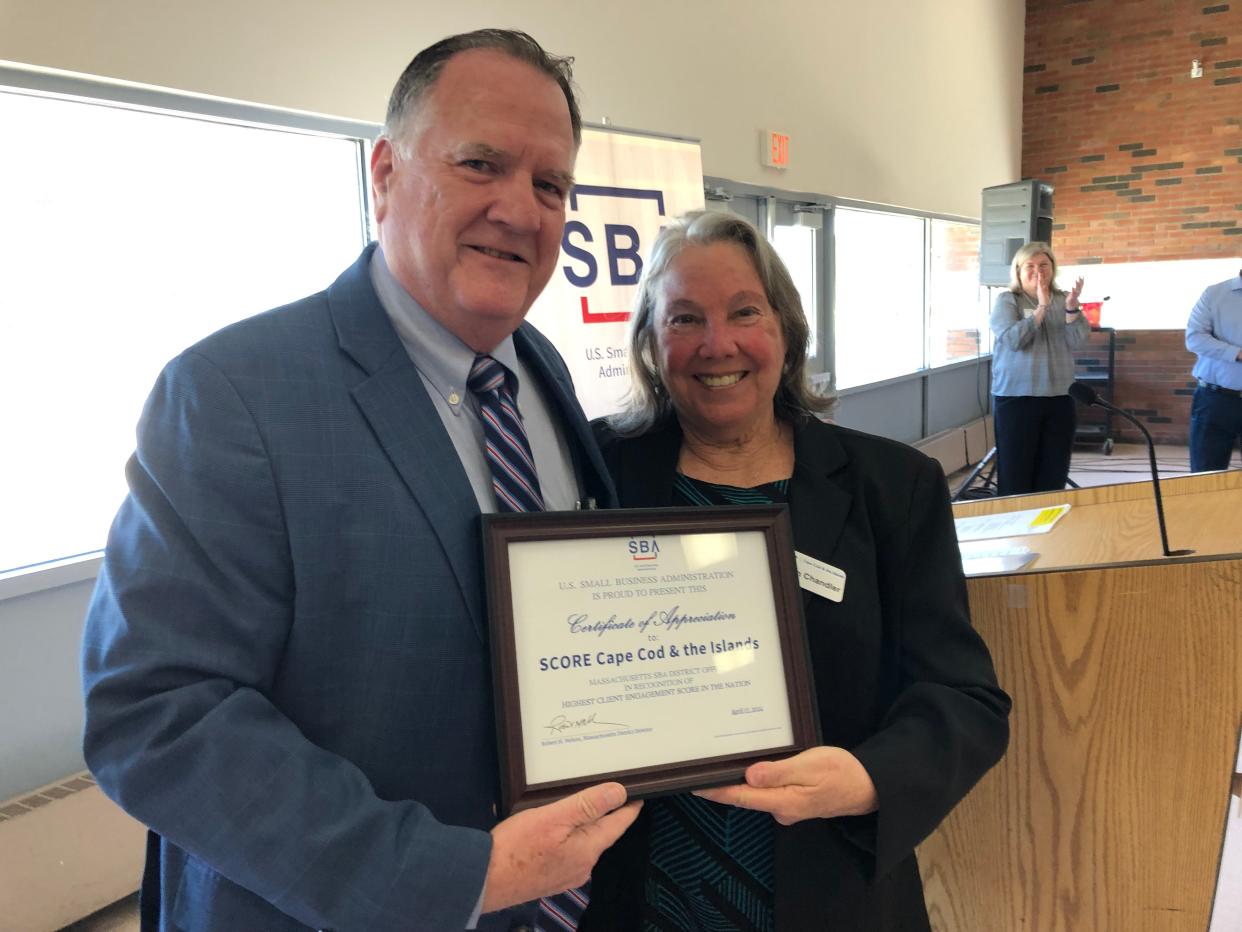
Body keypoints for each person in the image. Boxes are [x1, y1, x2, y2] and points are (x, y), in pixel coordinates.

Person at [80, 29, 641, 932]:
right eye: (481, 163)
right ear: (385, 172)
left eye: (550, 184)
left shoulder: (541, 370)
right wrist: (455, 876)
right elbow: (158, 717)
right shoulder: (232, 393)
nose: (521, 209)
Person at [581, 211, 1011, 931]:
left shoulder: (891, 486)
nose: (717, 345)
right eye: (684, 318)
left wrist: (870, 778)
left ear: (785, 327)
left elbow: (966, 699)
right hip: (641, 902)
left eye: (744, 312)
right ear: (652, 343)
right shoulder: (596, 474)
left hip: (833, 894)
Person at [989, 241, 1091, 495]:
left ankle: (1047, 524)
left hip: (1058, 396)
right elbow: (1013, 340)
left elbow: (1077, 340)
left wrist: (1071, 308)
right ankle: (1015, 527)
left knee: (1053, 471)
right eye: (1030, 266)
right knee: (1016, 471)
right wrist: (1041, 308)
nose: (1038, 271)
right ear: (1019, 270)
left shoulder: (1064, 299)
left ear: (1053, 268)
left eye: (1044, 265)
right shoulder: (1007, 300)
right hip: (1017, 398)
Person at [1186, 268, 1242, 472]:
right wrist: (1237, 353)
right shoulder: (1215, 294)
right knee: (1206, 475)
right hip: (1215, 399)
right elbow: (1195, 339)